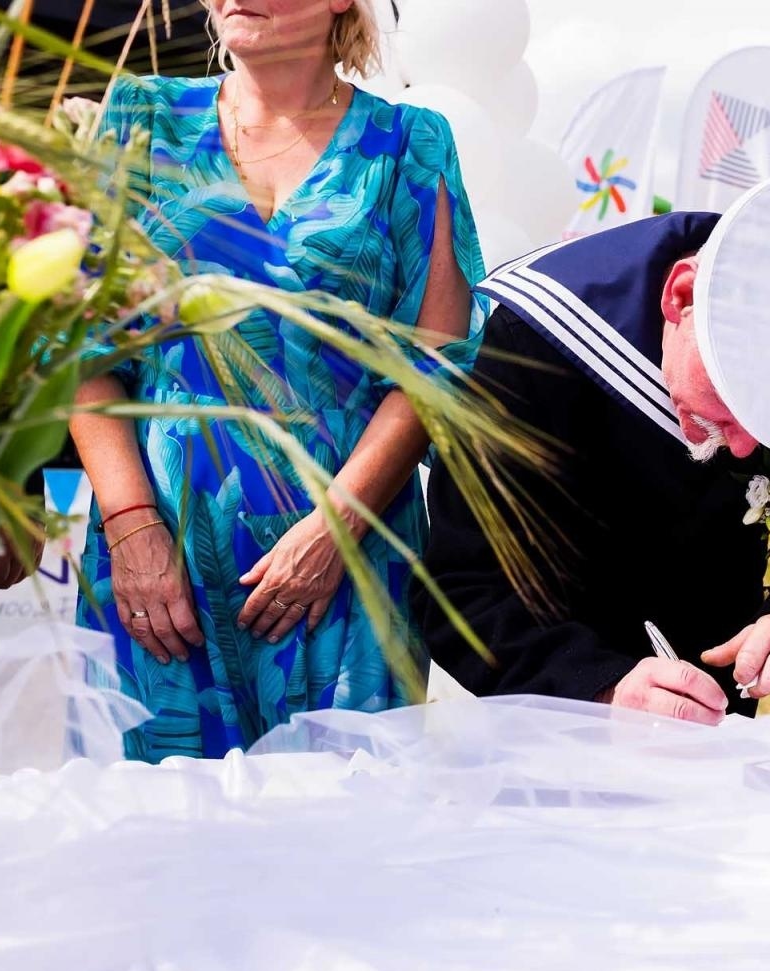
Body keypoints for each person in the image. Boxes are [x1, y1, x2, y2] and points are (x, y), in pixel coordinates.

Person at [70, 0, 490, 760]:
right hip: (155, 574)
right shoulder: (140, 122)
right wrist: (130, 525)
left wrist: (337, 528)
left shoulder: (408, 145)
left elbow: (431, 365)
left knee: (335, 852)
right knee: (152, 853)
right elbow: (83, 351)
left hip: (347, 567)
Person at [417, 168, 770, 723]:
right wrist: (598, 687)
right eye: (733, 402)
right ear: (680, 294)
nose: (743, 450)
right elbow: (462, 585)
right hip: (553, 725)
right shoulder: (537, 344)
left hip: (720, 728)